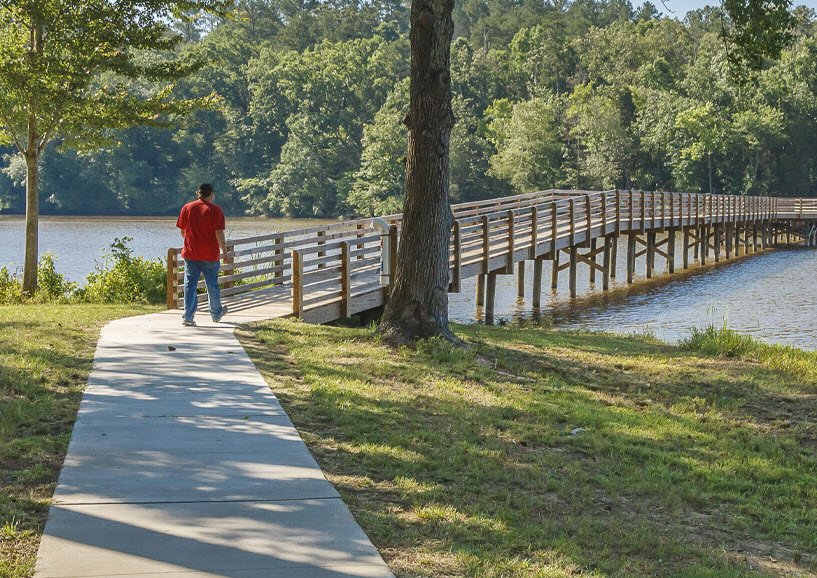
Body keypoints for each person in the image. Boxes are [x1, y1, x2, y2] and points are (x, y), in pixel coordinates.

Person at [176, 183, 228, 326]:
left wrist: (191, 243)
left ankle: (188, 317)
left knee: (189, 284)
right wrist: (224, 250)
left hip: (191, 253)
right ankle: (216, 314)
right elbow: (219, 232)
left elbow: (183, 231)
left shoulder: (187, 208)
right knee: (212, 285)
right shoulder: (216, 210)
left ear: (197, 193)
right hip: (210, 254)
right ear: (211, 194)